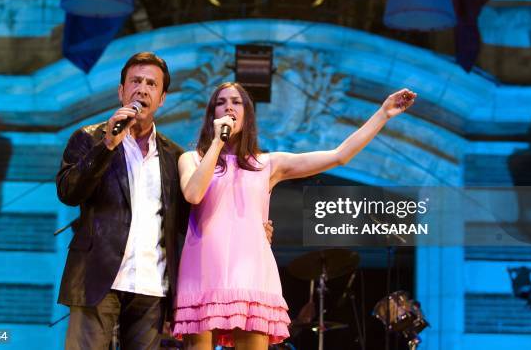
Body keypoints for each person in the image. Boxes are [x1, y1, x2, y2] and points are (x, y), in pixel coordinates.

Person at [173, 82, 416, 349]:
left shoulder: (267, 164)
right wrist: (217, 143)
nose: (229, 106)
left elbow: (339, 156)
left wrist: (383, 113)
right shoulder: (191, 159)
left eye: (236, 101)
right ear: (212, 114)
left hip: (250, 271)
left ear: (248, 114)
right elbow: (194, 194)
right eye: (221, 102)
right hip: (202, 269)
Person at [56, 52, 189, 350]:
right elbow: (68, 192)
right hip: (96, 278)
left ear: (162, 97)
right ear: (121, 91)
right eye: (136, 81)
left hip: (152, 285)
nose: (142, 89)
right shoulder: (89, 139)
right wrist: (106, 147)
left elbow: (188, 222)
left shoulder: (175, 156)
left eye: (151, 84)